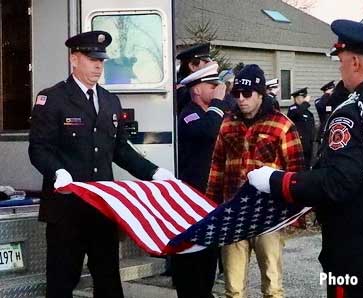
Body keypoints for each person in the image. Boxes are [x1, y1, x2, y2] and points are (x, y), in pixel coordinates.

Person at [247, 19, 363, 298]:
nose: (340, 68)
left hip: (360, 257)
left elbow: (337, 183)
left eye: (341, 61)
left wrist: (277, 180)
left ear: (355, 62)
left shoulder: (350, 113)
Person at [28, 31, 175, 298]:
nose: (98, 65)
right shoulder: (53, 99)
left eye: (102, 60)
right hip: (67, 211)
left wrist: (153, 172)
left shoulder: (109, 101)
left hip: (102, 210)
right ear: (74, 60)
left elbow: (119, 150)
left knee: (109, 282)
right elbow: (39, 149)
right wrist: (57, 171)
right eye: (91, 58)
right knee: (62, 283)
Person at [206, 64, 305, 298]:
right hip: (233, 213)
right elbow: (217, 167)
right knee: (233, 288)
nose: (241, 99)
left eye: (247, 94)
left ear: (261, 94)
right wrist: (211, 208)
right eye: (236, 94)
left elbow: (296, 172)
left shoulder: (282, 125)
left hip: (268, 216)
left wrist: (295, 217)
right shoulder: (227, 123)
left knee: (272, 286)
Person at [173, 62, 227, 298]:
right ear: (196, 89)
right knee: (191, 258)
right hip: (191, 197)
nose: (217, 89)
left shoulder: (211, 113)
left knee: (208, 254)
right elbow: (207, 131)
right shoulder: (189, 114)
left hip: (210, 197)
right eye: (211, 85)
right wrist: (217, 103)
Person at [176, 43, 213, 115]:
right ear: (192, 66)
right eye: (206, 62)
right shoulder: (186, 93)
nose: (209, 65)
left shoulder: (185, 89)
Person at [287, 87, 315, 169]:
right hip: (299, 143)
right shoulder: (293, 109)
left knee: (307, 165)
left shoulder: (307, 112)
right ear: (297, 98)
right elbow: (296, 114)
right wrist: (306, 103)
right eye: (303, 98)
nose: (304, 100)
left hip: (308, 144)